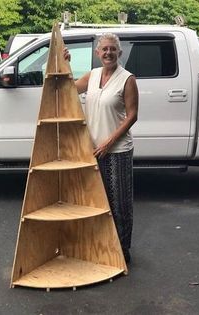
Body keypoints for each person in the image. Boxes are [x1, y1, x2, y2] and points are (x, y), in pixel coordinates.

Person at [65, 33, 138, 263]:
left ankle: (122, 253)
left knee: (120, 206)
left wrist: (109, 142)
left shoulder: (127, 79)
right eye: (104, 49)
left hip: (117, 150)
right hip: (94, 150)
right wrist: (65, 63)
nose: (108, 53)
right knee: (98, 202)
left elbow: (132, 115)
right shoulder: (93, 75)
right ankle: (104, 248)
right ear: (98, 53)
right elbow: (70, 88)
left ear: (119, 53)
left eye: (112, 49)